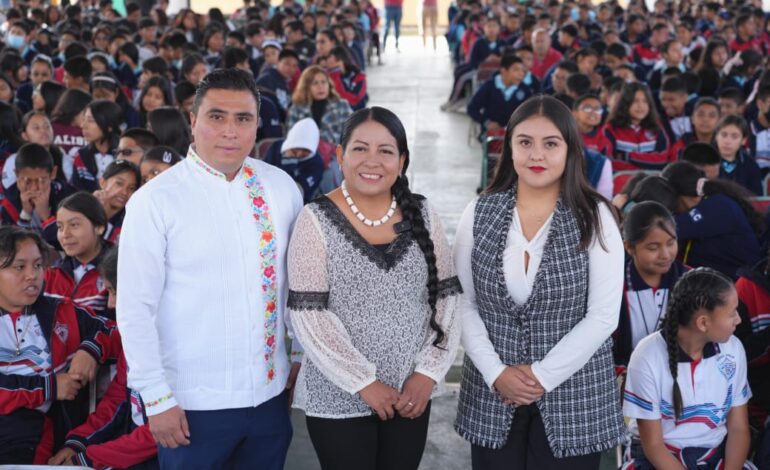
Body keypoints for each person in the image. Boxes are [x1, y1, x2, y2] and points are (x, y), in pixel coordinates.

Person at [117, 68, 303, 469]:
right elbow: (135, 309)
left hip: (269, 400)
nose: (230, 131)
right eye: (217, 117)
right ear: (193, 122)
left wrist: (299, 358)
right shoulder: (155, 201)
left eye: (243, 119)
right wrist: (157, 397)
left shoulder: (282, 188)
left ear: (258, 125)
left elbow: (299, 286)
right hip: (189, 409)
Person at [455, 95, 625, 469]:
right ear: (509, 148)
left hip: (575, 398)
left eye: (551, 144)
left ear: (570, 150)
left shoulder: (596, 217)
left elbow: (603, 316)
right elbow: (463, 302)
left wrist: (539, 376)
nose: (537, 155)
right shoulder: (479, 211)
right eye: (525, 142)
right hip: (492, 392)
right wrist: (497, 373)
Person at [287, 106, 461, 470]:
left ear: (402, 160)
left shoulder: (424, 214)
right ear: (340, 155)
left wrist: (428, 373)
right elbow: (308, 316)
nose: (373, 161)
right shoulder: (314, 219)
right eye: (360, 148)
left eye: (386, 151)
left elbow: (447, 297)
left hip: (409, 393)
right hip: (338, 393)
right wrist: (363, 382)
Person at [0, 225, 119, 464]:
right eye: (19, 267)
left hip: (33, 437)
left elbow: (114, 332)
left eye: (37, 265)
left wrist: (90, 349)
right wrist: (48, 387)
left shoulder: (60, 311)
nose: (32, 275)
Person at [622, 268, 755, 470]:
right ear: (703, 323)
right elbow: (653, 445)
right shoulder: (647, 356)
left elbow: (738, 428)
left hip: (714, 455)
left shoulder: (733, 348)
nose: (738, 319)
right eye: (732, 313)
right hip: (659, 459)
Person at [47, 246, 159, 469]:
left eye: (115, 291)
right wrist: (78, 443)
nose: (111, 304)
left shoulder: (177, 349)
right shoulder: (135, 338)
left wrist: (90, 458)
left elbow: (160, 433)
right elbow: (118, 401)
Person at [614, 201, 689, 371]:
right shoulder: (613, 286)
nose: (665, 254)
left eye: (671, 243)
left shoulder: (692, 281)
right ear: (629, 247)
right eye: (653, 247)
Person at [661, 162, 762, 279]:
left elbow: (663, 229)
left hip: (741, 288)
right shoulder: (709, 202)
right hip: (716, 284)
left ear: (676, 196)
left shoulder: (718, 206)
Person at [45, 191, 111, 318]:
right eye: (60, 227)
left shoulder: (118, 270)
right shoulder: (51, 275)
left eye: (74, 225)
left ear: (99, 227)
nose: (65, 234)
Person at [0, 142, 75, 249]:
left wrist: (46, 218)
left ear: (53, 173)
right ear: (16, 174)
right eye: (28, 181)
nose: (35, 188)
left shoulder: (68, 198)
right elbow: (10, 249)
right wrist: (26, 214)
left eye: (42, 180)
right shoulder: (9, 202)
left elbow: (68, 246)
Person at [603, 82, 673, 170]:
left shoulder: (657, 128)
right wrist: (644, 166)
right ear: (625, 103)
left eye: (645, 101)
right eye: (635, 101)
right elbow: (610, 162)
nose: (641, 106)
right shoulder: (610, 129)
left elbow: (663, 159)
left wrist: (627, 156)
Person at [467, 54, 531, 137]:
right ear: (503, 71)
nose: (521, 74)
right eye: (516, 70)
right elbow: (472, 108)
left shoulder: (525, 90)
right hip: (491, 135)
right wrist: (487, 123)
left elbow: (530, 114)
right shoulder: (489, 86)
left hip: (515, 134)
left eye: (523, 71)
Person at [264, 118, 325, 204]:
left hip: (299, 205)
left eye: (305, 150)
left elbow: (298, 191)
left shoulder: (316, 163)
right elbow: (264, 173)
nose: (299, 154)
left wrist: (289, 161)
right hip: (268, 195)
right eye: (296, 149)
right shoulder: (276, 147)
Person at [288, 66, 353, 144]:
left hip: (336, 153)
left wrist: (322, 139)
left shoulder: (342, 106)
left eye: (323, 82)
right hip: (305, 154)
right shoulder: (296, 109)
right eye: (315, 83)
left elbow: (351, 135)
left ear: (329, 85)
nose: (320, 87)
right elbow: (290, 138)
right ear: (306, 87)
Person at [2, 111, 66, 189]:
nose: (43, 131)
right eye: (36, 128)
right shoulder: (14, 160)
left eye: (47, 126)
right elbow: (9, 191)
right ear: (24, 135)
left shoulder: (61, 155)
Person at [70, 100, 123, 192]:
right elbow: (76, 192)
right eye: (84, 120)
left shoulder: (125, 155)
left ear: (109, 126)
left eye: (90, 120)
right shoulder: (81, 157)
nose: (83, 125)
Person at [93, 160, 141, 244]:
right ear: (102, 182)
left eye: (131, 188)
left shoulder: (132, 223)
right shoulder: (83, 210)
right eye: (119, 183)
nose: (124, 192)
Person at [714, 115, 762, 195]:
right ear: (716, 136)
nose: (727, 141)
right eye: (724, 135)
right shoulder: (705, 160)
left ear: (743, 140)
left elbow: (757, 199)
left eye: (734, 137)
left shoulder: (751, 166)